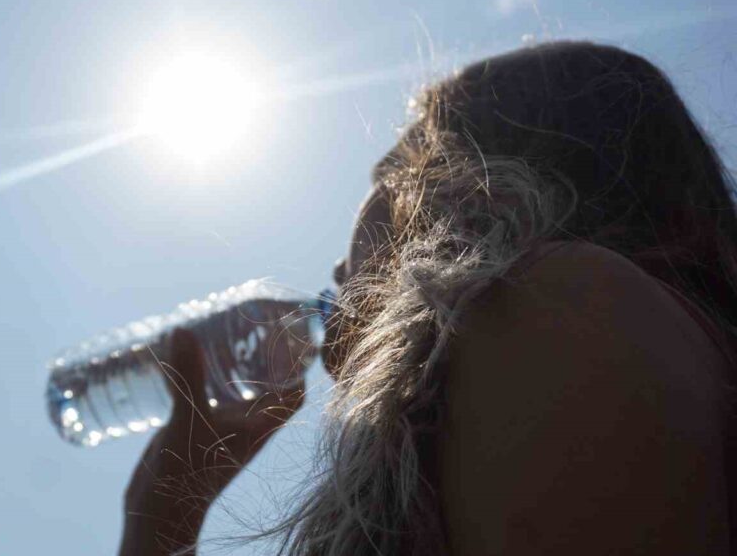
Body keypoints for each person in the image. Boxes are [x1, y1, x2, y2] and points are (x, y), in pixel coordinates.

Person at [118, 41, 736, 555]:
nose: (338, 262)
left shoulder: (558, 303)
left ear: (462, 188)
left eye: (387, 177)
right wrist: (168, 506)